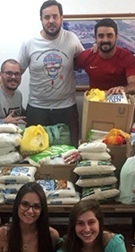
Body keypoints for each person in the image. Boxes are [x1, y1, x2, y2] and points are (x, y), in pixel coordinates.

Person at [17, 0, 84, 146]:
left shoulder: (72, 39)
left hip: (66, 108)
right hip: (37, 108)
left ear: (61, 18)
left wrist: (96, 48)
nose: (51, 21)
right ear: (41, 19)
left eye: (55, 16)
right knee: (34, 151)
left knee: (69, 152)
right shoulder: (29, 43)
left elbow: (87, 60)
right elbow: (16, 72)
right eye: (47, 17)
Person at [76, 18, 135, 95]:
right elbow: (67, 66)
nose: (105, 40)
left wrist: (122, 89)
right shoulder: (86, 56)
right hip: (95, 103)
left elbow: (134, 85)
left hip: (120, 102)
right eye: (101, 36)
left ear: (116, 37)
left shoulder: (127, 57)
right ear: (95, 38)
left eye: (109, 35)